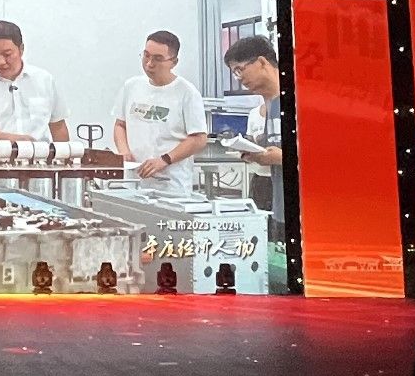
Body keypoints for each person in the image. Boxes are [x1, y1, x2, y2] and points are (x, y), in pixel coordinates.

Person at [110, 30, 207, 198]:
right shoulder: (131, 86)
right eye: (146, 56)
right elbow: (120, 125)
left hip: (170, 186)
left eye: (157, 59)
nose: (149, 64)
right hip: (133, 182)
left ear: (174, 62)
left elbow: (199, 139)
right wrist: (123, 151)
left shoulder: (187, 92)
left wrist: (164, 160)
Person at [0, 20, 69, 143]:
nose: (0, 62)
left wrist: (64, 153)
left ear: (21, 49)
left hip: (40, 153)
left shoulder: (44, 80)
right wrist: (16, 141)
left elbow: (58, 126)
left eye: (7, 54)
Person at [224, 34, 286, 235]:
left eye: (239, 69)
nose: (238, 78)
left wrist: (279, 157)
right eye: (234, 73)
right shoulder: (269, 104)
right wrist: (257, 154)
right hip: (280, 208)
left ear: (261, 62)